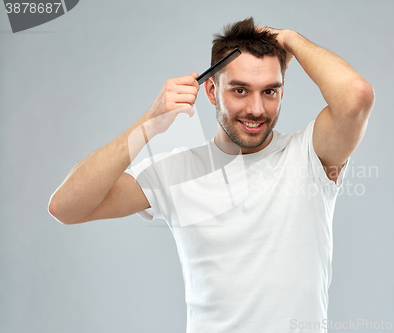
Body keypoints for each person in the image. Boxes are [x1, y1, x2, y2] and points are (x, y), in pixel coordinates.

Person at [49, 17, 374, 333]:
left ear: (282, 92)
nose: (257, 109)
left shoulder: (310, 156)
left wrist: (290, 39)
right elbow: (66, 207)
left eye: (269, 92)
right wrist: (149, 122)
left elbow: (356, 96)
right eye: (240, 90)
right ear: (210, 90)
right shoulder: (176, 171)